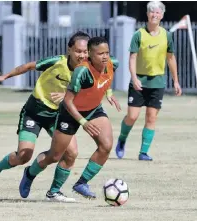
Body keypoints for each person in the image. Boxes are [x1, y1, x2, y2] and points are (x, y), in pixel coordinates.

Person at [0, 31, 91, 202]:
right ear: (69, 50)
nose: (82, 55)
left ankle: (52, 191)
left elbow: (88, 95)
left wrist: (66, 97)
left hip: (58, 115)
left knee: (71, 153)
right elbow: (28, 66)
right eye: (79, 51)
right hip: (34, 112)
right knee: (23, 155)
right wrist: (6, 76)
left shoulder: (87, 71)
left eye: (85, 52)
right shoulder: (56, 62)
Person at [19, 36, 121, 199]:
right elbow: (67, 100)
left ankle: (76, 184)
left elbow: (107, 77)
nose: (104, 56)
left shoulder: (111, 63)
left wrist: (108, 92)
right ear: (90, 55)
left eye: (107, 52)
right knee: (55, 155)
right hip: (71, 112)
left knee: (106, 146)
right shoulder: (82, 71)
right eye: (100, 53)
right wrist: (83, 122)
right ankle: (30, 173)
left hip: (93, 109)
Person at [115, 1, 182, 161]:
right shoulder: (139, 34)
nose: (154, 15)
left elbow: (171, 58)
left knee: (151, 117)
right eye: (152, 12)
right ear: (147, 14)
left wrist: (176, 81)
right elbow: (132, 58)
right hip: (139, 80)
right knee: (132, 116)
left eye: (157, 12)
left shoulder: (166, 35)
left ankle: (143, 152)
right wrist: (134, 78)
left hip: (157, 82)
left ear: (162, 15)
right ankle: (122, 139)